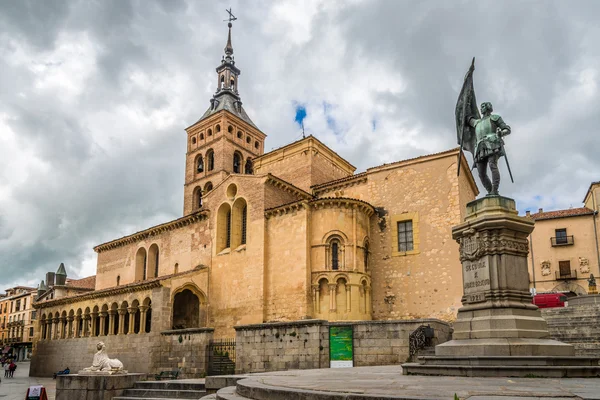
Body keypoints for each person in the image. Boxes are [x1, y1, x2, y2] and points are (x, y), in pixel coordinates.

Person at [467, 102, 511, 195]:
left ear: (488, 107)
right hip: (479, 147)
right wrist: (465, 104)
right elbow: (467, 118)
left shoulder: (495, 118)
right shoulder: (476, 122)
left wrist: (501, 133)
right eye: (481, 107)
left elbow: (507, 129)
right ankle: (490, 190)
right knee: (481, 173)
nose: (481, 108)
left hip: (492, 143)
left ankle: (495, 190)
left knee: (492, 165)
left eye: (483, 106)